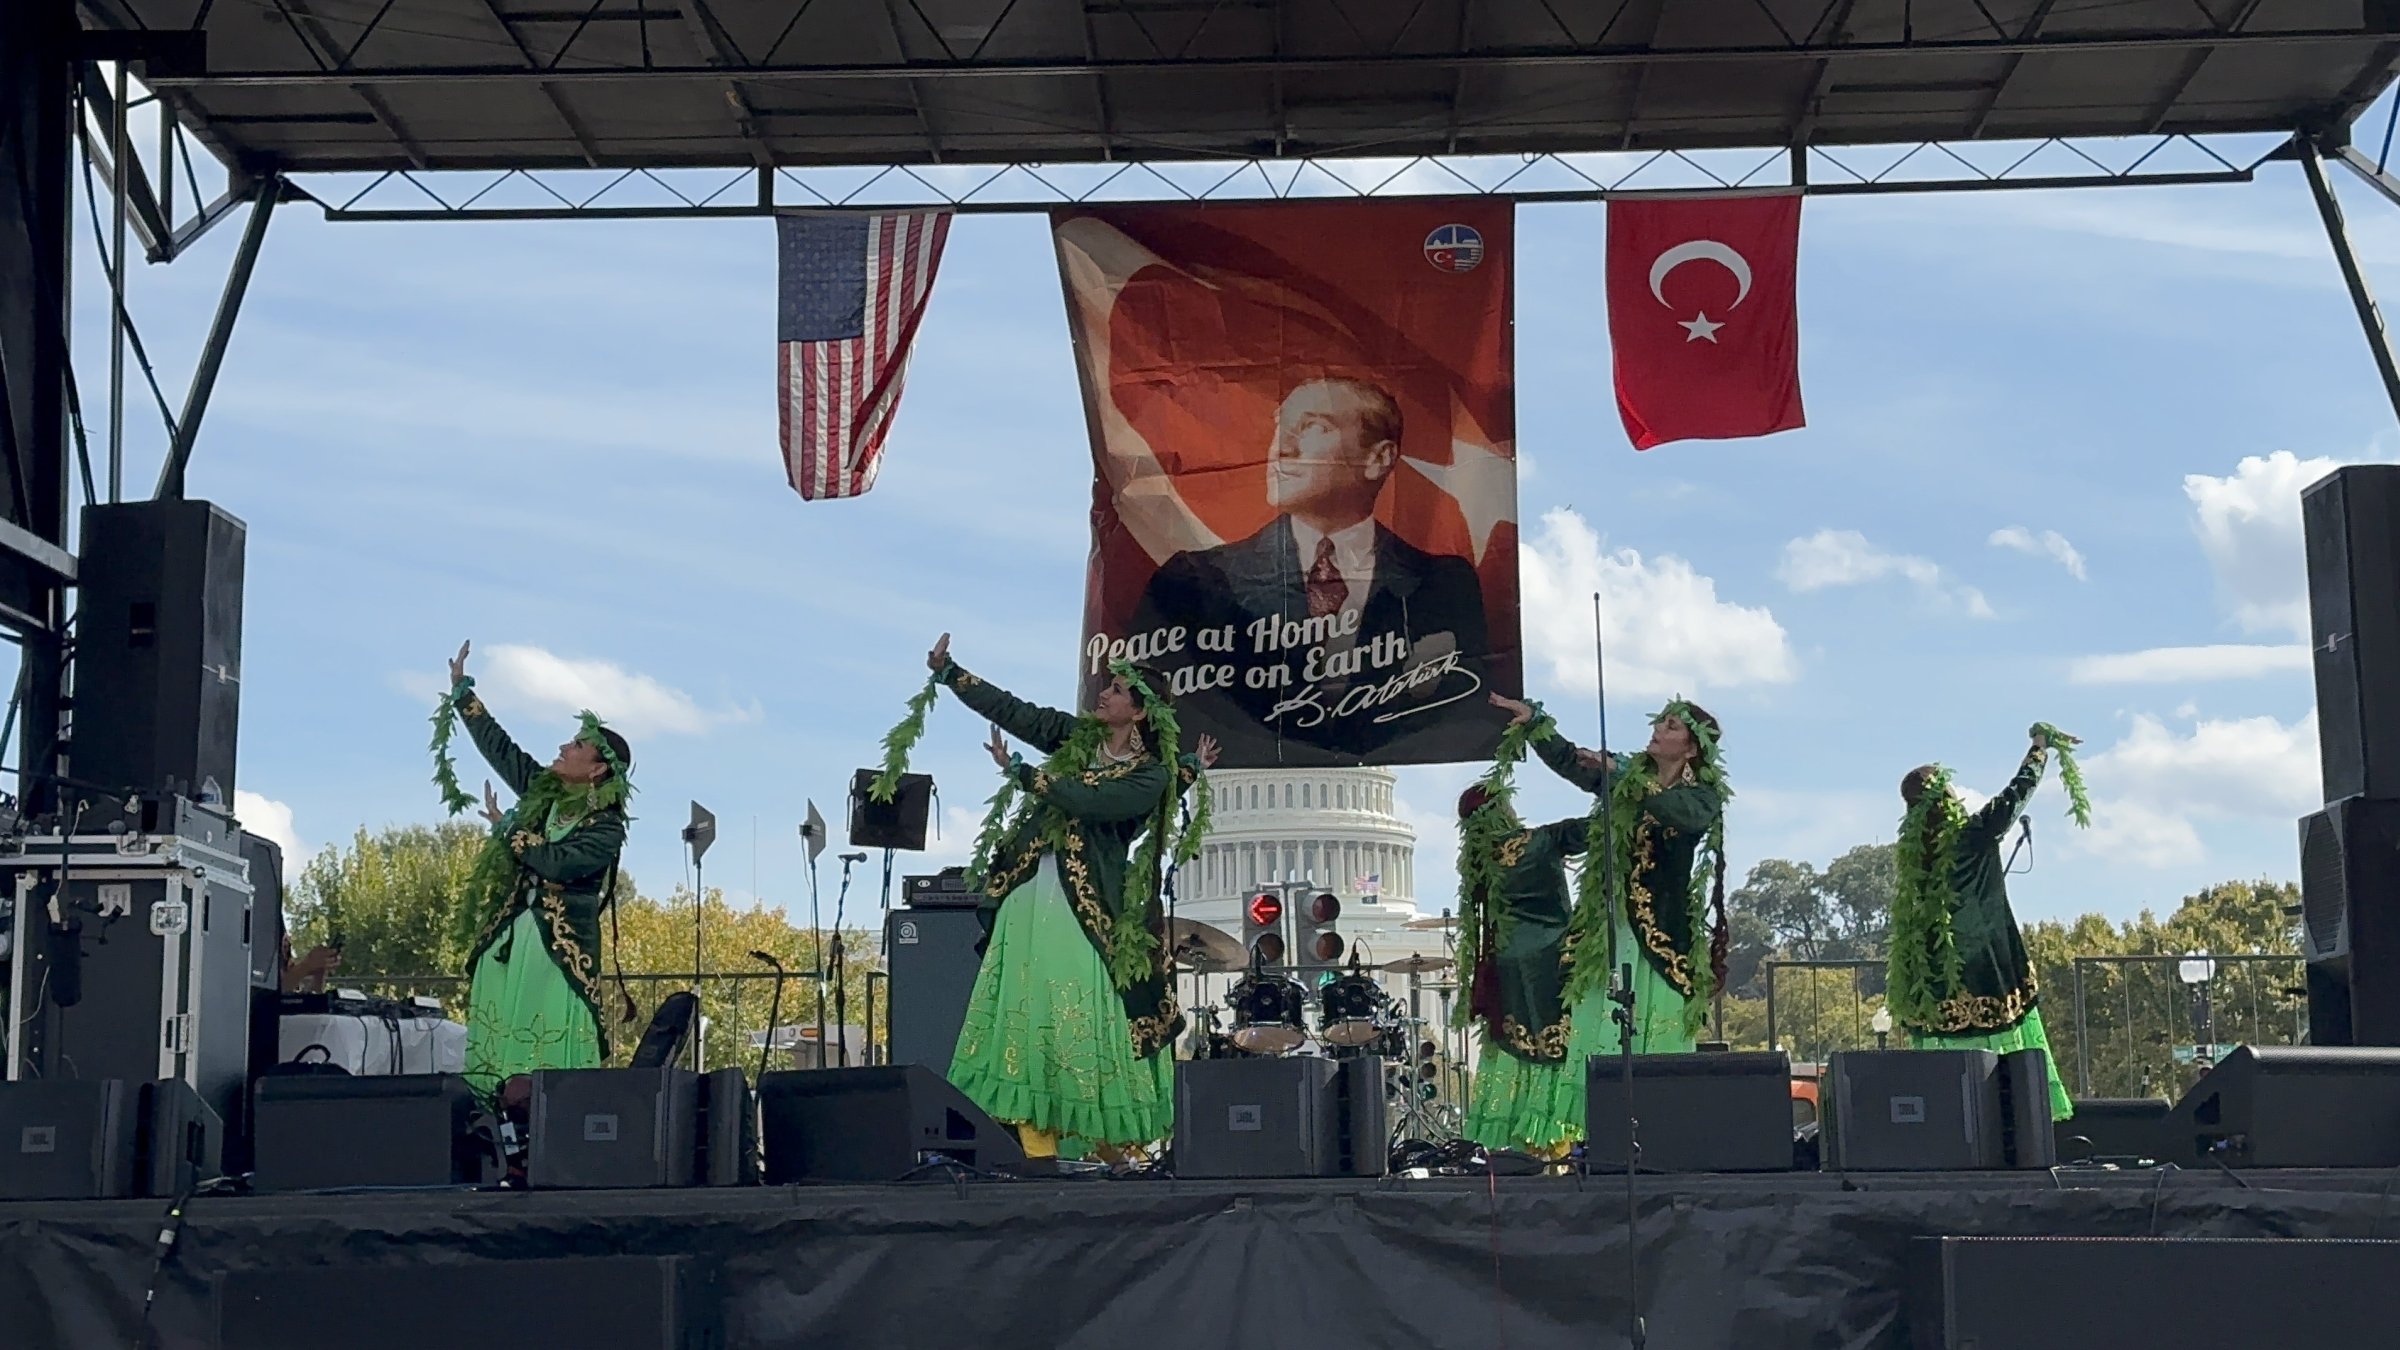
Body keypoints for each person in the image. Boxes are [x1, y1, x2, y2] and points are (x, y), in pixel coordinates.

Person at [918, 633, 1216, 1164]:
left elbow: (1093, 802)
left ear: (1140, 713)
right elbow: (1017, 712)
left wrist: (1022, 774)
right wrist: (951, 672)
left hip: (1090, 907)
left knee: (1082, 1014)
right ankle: (1038, 1149)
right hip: (1031, 892)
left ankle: (1108, 1148)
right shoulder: (1077, 739)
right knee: (1026, 1010)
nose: (1104, 693)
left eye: (1118, 690)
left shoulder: (1150, 776)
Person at [1130, 377, 1491, 760]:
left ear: (1378, 458)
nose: (1282, 449)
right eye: (1280, 429)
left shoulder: (1444, 587)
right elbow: (1136, 703)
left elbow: (1469, 707)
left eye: (1313, 427)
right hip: (1240, 798)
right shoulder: (1194, 582)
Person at [432, 640, 633, 1100]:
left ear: (599, 769)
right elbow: (503, 751)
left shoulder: (606, 828)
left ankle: (545, 1130)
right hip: (510, 942)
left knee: (543, 1060)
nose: (564, 746)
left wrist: (509, 831)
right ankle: (490, 1126)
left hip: (557, 956)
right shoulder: (543, 794)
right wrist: (464, 692)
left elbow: (555, 862)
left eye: (579, 745)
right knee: (495, 1047)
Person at [1492, 691, 1731, 1052]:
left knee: (1655, 1041)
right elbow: (1575, 762)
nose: (1657, 729)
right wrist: (1536, 723)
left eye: (1671, 726)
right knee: (1596, 1031)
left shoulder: (1702, 797)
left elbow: (1677, 812)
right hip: (1607, 930)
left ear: (1692, 749)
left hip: (1663, 938)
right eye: (1659, 722)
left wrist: (1619, 774)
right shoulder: (1623, 775)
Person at [1888, 726, 2082, 1121]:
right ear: (1946, 796)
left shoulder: (1914, 860)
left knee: (1944, 1083)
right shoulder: (1973, 835)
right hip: (1987, 970)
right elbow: (2017, 792)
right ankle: (2018, 1129)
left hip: (1936, 982)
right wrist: (2040, 747)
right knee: (2007, 1074)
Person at [1452, 772, 1595, 1160]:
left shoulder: (1478, 867)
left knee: (1516, 1048)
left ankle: (1523, 1146)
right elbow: (1598, 829)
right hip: (1554, 959)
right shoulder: (1542, 840)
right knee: (1559, 1047)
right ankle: (1556, 1140)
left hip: (1508, 967)